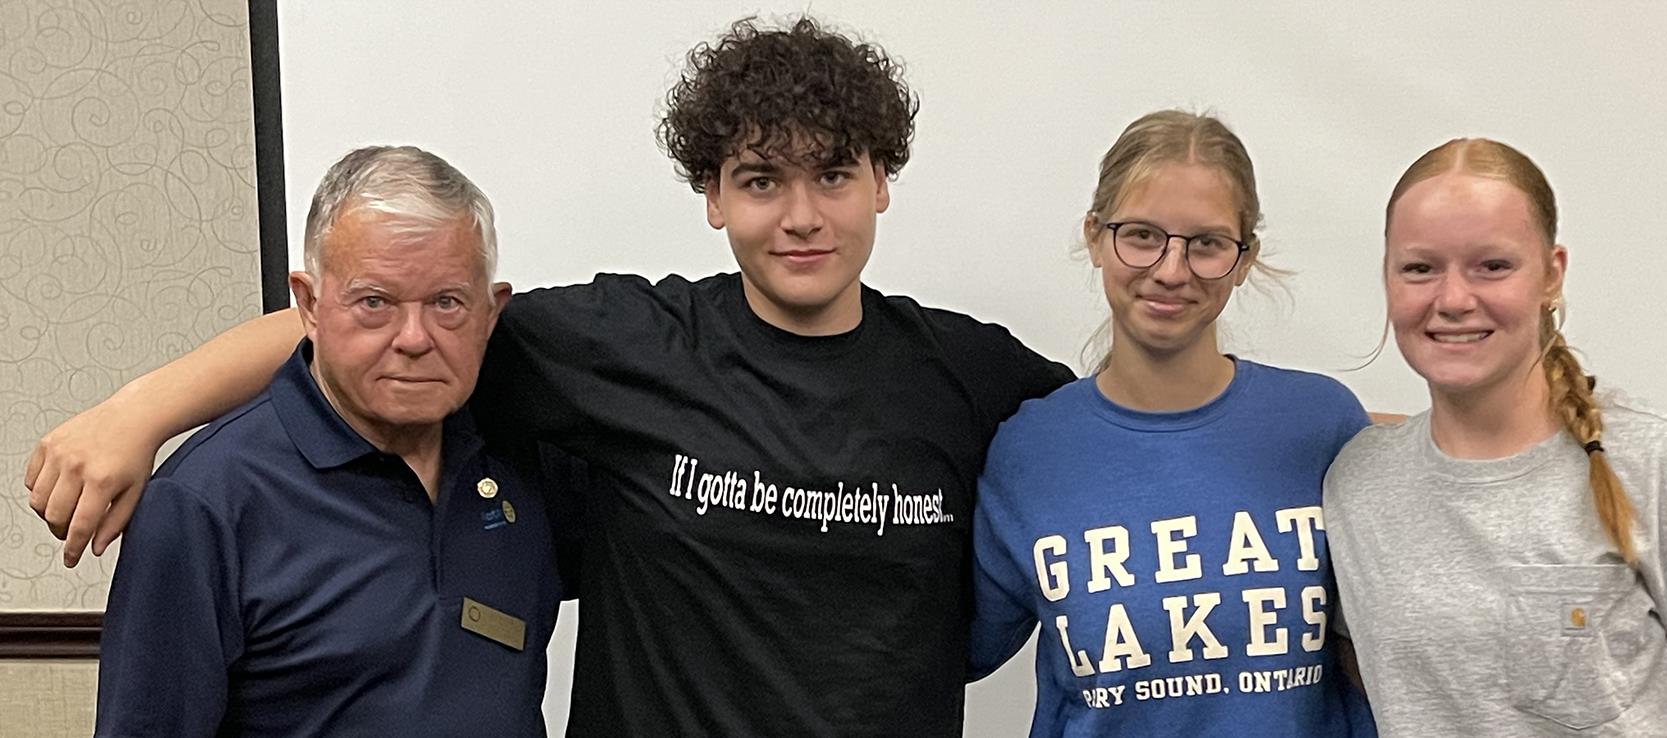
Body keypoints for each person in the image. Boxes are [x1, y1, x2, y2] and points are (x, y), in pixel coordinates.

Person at [28, 17, 1070, 736]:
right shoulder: (628, 342)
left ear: (883, 179)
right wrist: (139, 413)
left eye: (834, 174)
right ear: (713, 195)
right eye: (761, 180)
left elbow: (1122, 434)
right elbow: (378, 319)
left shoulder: (968, 373)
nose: (801, 216)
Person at [1323, 138, 1667, 736]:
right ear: (1388, 277)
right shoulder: (1359, 484)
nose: (1453, 300)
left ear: (1552, 275)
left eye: (1492, 266)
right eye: (1420, 268)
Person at [94, 146, 571, 736]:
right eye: (375, 303)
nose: (415, 338)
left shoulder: (529, 459)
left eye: (446, 303)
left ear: (491, 312)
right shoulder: (205, 501)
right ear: (309, 305)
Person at [968, 110, 1374, 736]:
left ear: (1244, 259)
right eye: (1141, 235)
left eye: (1207, 244)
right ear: (1095, 236)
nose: (1172, 270)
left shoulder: (1324, 427)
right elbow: (938, 651)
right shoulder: (1027, 452)